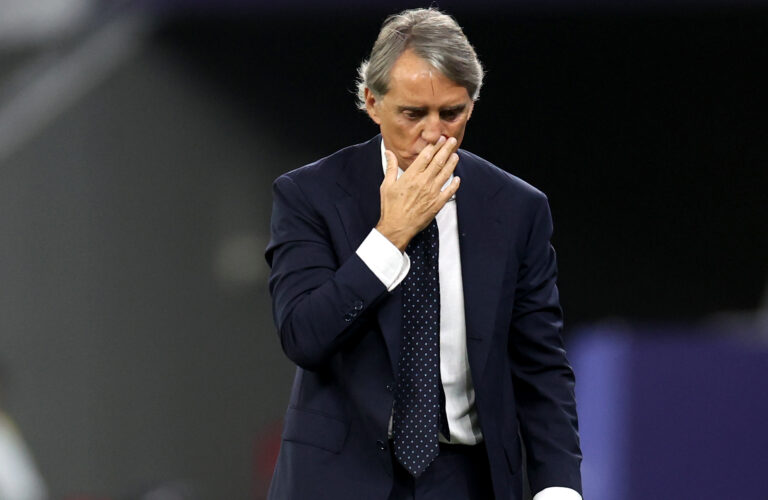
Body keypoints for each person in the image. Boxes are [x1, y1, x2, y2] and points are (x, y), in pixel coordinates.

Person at [265, 8, 581, 500]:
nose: (434, 134)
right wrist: (390, 236)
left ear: (471, 106)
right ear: (372, 102)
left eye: (451, 113)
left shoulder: (518, 208)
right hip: (338, 480)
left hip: (466, 478)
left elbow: (540, 365)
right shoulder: (310, 195)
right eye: (413, 114)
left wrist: (558, 488)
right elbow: (304, 335)